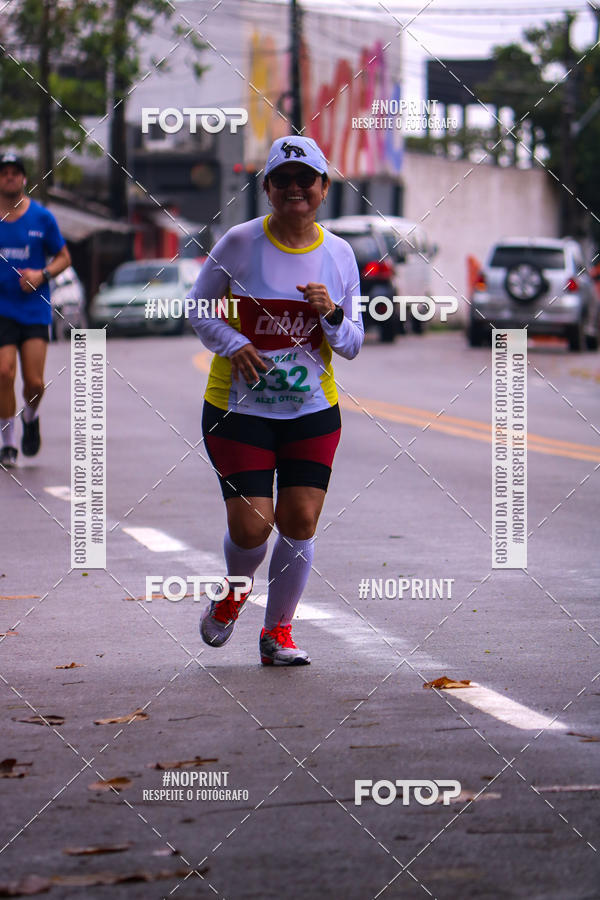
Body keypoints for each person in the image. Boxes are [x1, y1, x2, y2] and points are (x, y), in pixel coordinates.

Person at [188, 135, 364, 666]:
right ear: (266, 188)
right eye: (282, 180)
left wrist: (331, 312)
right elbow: (199, 310)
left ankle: (278, 633)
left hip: (311, 410)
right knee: (251, 525)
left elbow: (352, 343)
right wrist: (235, 341)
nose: (294, 189)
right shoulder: (239, 244)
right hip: (237, 410)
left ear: (323, 189)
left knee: (300, 520)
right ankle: (233, 595)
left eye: (304, 179)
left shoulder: (339, 255)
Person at [0, 152, 71, 467]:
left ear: (24, 178)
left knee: (34, 383)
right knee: (3, 373)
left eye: (15, 172)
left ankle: (30, 416)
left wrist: (41, 275)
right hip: (2, 308)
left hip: (34, 309)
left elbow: (64, 258)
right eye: (4, 173)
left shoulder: (42, 218)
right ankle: (8, 443)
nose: (10, 177)